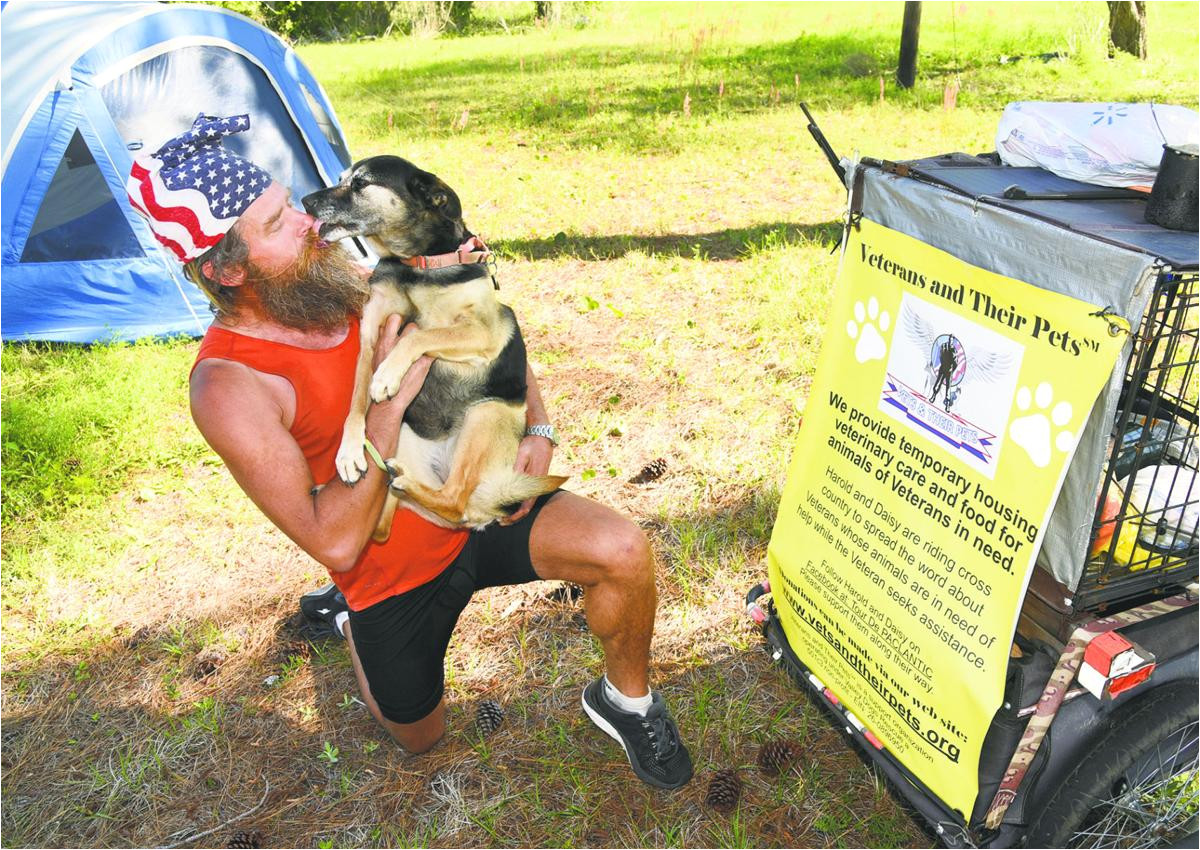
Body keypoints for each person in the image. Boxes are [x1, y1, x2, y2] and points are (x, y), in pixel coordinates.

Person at [127, 114, 693, 789]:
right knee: (422, 740)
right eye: (278, 224)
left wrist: (537, 427)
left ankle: (626, 702)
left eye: (289, 205)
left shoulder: (335, 279)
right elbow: (333, 540)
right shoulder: (229, 386)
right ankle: (349, 622)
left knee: (624, 551)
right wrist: (386, 412)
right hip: (390, 573)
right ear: (226, 268)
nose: (309, 222)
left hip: (479, 503)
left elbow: (481, 323)